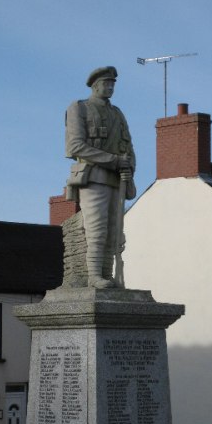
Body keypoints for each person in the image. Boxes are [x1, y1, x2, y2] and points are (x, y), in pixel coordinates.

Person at [65, 66, 136, 289]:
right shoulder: (80, 109)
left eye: (112, 84)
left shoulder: (117, 114)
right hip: (93, 177)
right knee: (96, 229)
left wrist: (129, 166)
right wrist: (113, 161)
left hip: (117, 180)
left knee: (113, 233)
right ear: (95, 86)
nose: (110, 87)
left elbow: (129, 148)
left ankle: (107, 275)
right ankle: (94, 275)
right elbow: (75, 146)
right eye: (106, 83)